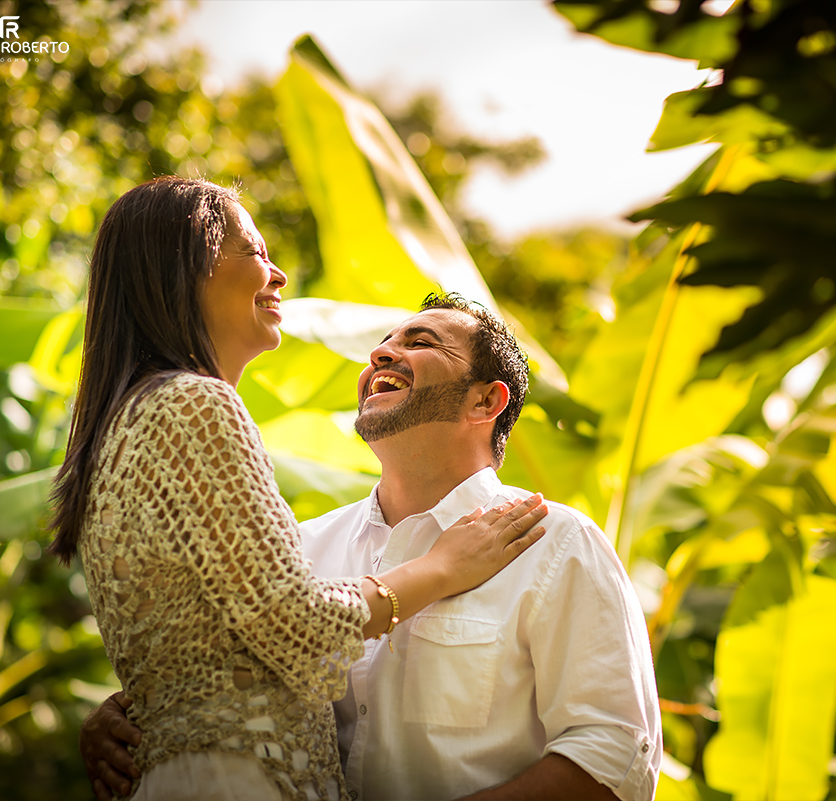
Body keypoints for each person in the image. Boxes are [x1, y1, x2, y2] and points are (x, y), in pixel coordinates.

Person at [51, 178, 547, 801]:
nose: (279, 274)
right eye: (255, 252)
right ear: (191, 264)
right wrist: (442, 568)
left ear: (488, 401)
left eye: (419, 343)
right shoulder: (196, 406)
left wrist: (139, 708)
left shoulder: (129, 424)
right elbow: (294, 627)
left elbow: (215, 643)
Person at [84, 292, 662, 801]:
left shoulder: (556, 543)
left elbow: (611, 760)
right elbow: (227, 677)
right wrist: (135, 715)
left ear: (485, 403)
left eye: (421, 342)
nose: (380, 354)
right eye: (382, 343)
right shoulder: (300, 549)